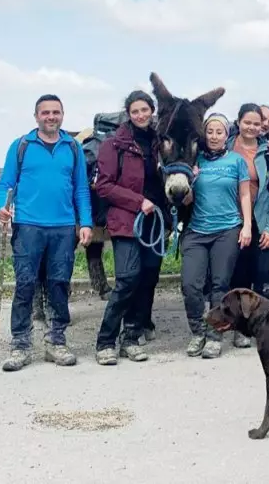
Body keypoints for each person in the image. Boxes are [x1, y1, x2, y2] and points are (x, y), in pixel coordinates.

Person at [0, 94, 93, 372]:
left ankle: (56, 342)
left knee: (59, 285)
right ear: (36, 116)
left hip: (63, 228)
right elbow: (6, 184)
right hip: (28, 226)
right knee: (25, 285)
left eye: (56, 112)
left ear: (63, 115)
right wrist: (3, 208)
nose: (51, 117)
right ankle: (20, 345)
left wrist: (84, 222)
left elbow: (81, 190)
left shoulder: (72, 147)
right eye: (45, 112)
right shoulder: (21, 146)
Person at [92, 90, 168, 365]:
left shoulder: (160, 144)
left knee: (147, 278)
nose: (140, 115)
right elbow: (104, 186)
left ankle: (132, 337)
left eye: (144, 110)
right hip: (127, 221)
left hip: (154, 222)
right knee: (127, 279)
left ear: (152, 111)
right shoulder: (114, 146)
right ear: (128, 113)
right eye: (135, 111)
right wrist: (139, 202)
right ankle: (105, 341)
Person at [180, 113, 253, 359]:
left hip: (227, 229)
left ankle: (214, 335)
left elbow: (244, 195)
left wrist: (247, 227)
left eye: (219, 132)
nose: (213, 136)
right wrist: (192, 180)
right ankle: (197, 332)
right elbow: (186, 200)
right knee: (190, 284)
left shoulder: (236, 161)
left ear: (226, 134)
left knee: (220, 285)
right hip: (197, 231)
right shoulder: (195, 160)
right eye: (209, 131)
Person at [227, 103, 269, 347]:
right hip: (233, 220)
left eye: (256, 123)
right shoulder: (225, 147)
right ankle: (240, 327)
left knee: (265, 277)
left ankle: (266, 329)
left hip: (262, 220)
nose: (251, 127)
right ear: (239, 122)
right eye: (247, 122)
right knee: (239, 276)